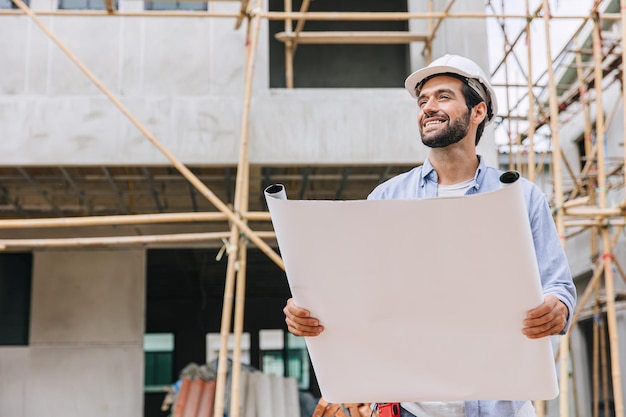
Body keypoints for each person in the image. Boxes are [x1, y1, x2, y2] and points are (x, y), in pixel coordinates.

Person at [282, 54, 577, 417]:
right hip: (409, 408)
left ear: (478, 111)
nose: (428, 108)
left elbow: (559, 287)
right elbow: (359, 292)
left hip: (498, 407)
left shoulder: (520, 197)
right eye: (423, 101)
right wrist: (309, 310)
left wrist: (556, 310)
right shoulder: (388, 198)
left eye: (442, 97)